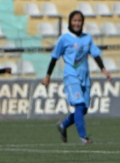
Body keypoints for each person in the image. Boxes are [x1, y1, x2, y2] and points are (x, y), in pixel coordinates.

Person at [42, 10, 111, 144]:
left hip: (85, 76)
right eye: (75, 20)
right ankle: (83, 137)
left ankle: (63, 125)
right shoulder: (64, 38)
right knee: (79, 105)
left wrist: (104, 70)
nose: (77, 23)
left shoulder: (87, 38)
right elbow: (54, 58)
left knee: (83, 109)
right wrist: (47, 76)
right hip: (71, 76)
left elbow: (95, 55)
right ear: (70, 22)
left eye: (79, 21)